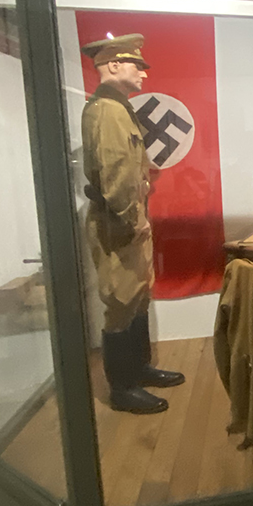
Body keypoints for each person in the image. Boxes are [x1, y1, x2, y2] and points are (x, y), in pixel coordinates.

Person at [81, 33, 184, 414]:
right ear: (112, 66)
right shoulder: (107, 111)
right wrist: (130, 220)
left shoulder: (118, 108)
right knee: (121, 303)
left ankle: (139, 369)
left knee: (138, 295)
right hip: (119, 223)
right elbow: (116, 174)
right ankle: (123, 388)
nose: (143, 73)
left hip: (130, 220)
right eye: (135, 65)